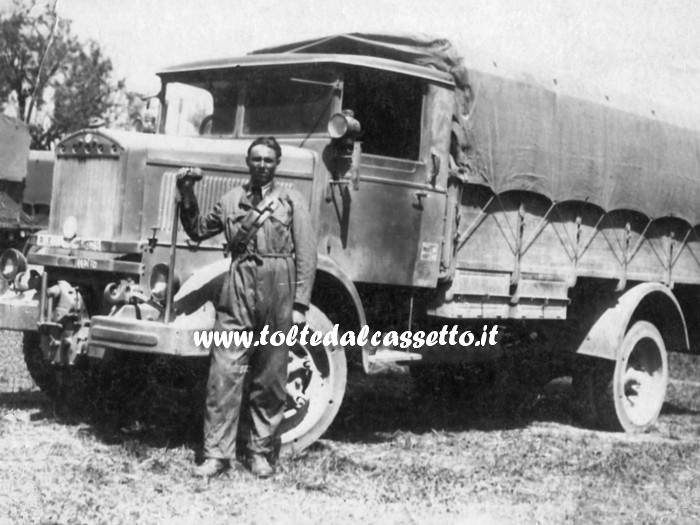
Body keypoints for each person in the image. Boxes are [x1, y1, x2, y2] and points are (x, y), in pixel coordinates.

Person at [177, 136, 317, 478]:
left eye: (269, 159)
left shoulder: (291, 201)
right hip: (238, 286)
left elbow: (307, 254)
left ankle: (259, 453)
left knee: (271, 377)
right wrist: (187, 194)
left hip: (279, 286)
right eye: (256, 159)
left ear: (277, 164)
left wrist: (299, 304)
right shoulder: (230, 200)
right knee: (223, 372)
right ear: (247, 162)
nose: (262, 165)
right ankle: (216, 455)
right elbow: (196, 231)